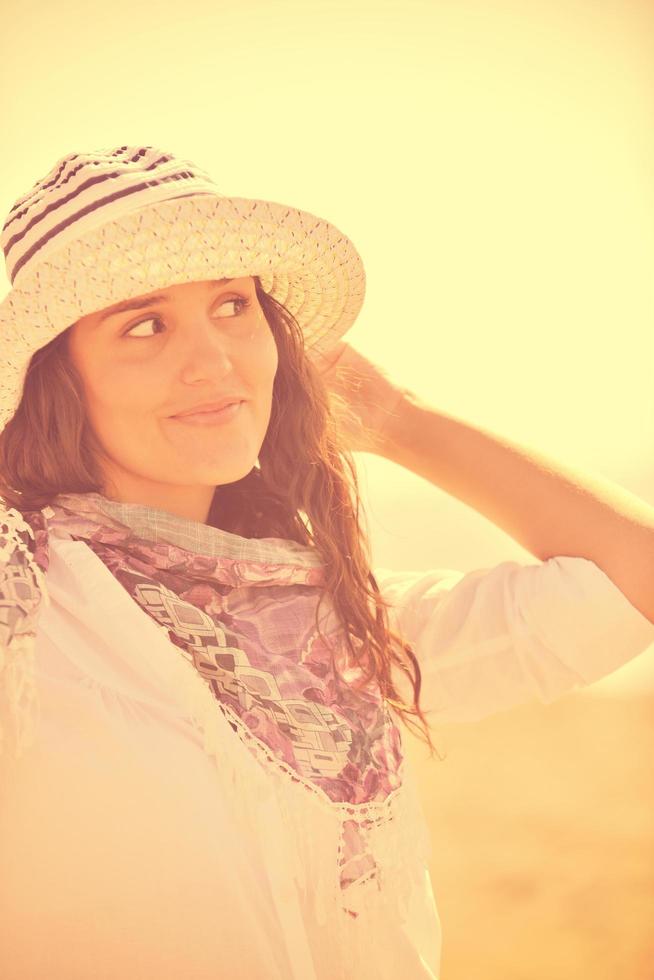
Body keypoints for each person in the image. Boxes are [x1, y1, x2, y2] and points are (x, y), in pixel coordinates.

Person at [0, 145, 652, 980]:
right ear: (60, 382)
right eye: (146, 324)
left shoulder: (340, 631)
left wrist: (399, 419)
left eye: (233, 306)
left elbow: (637, 578)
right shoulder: (32, 608)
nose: (215, 361)